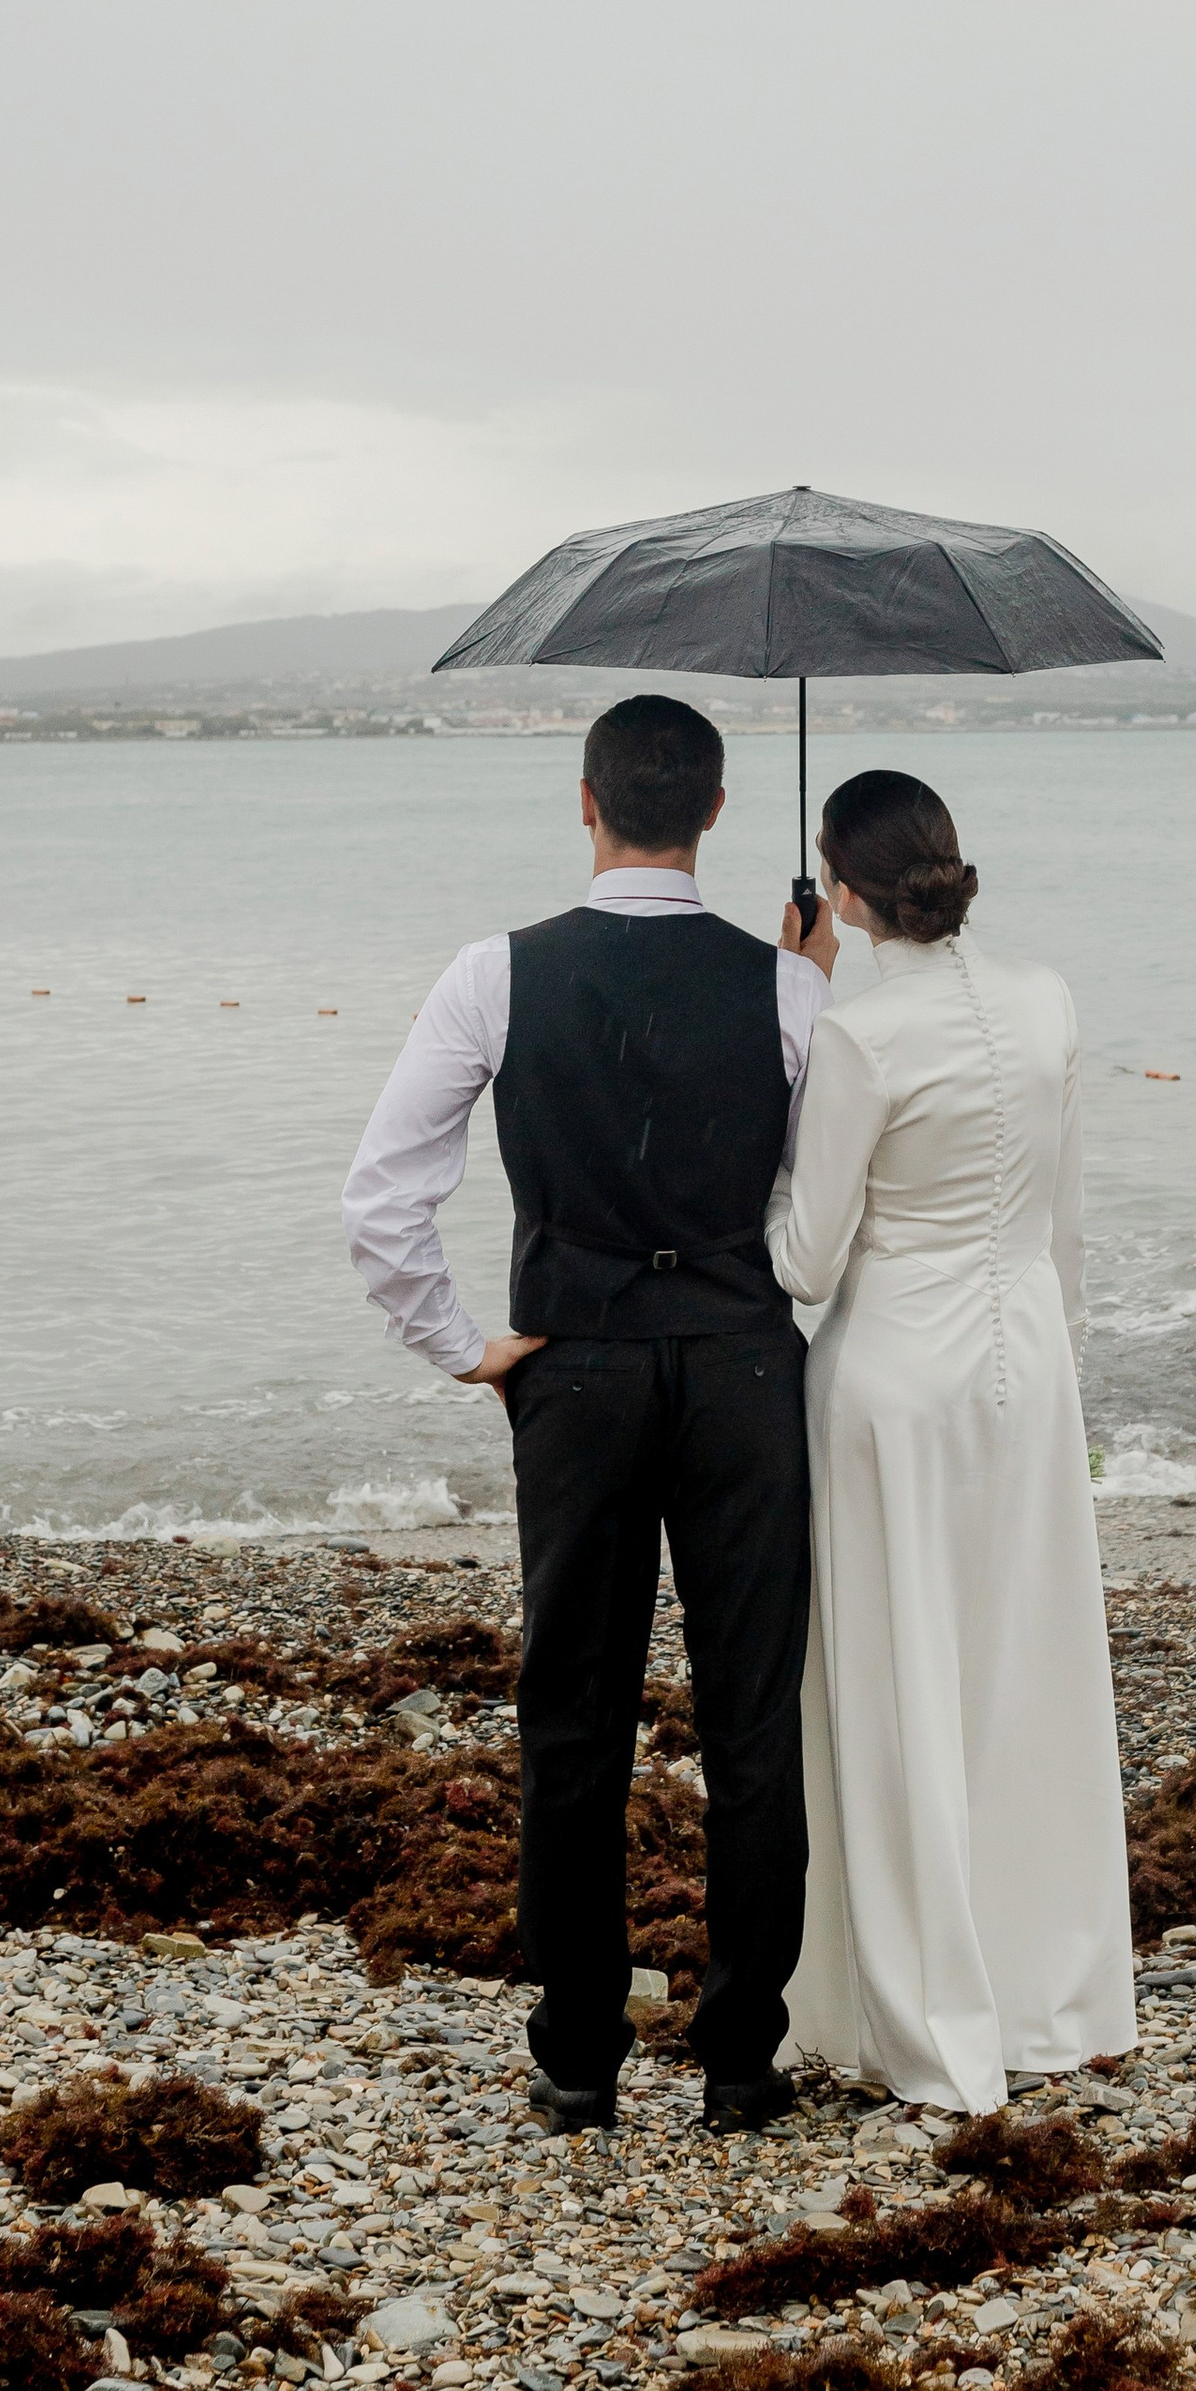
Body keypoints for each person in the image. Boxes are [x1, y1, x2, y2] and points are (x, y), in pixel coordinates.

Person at [341, 694, 835, 2137]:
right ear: (720, 812)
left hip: (577, 1369)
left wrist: (463, 1347)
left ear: (586, 801)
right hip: (745, 1363)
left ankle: (576, 2056)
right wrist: (805, 984)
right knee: (753, 1715)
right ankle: (742, 2056)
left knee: (574, 1714)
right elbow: (823, 1210)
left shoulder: (496, 973)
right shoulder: (788, 988)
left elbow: (381, 1200)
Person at [767, 767, 1135, 2115]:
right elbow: (1067, 1228)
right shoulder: (1048, 1002)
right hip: (1028, 1362)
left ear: (844, 889)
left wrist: (786, 1056)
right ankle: (1058, 1992)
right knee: (1022, 1675)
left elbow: (806, 1261)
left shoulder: (860, 1036)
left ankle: (923, 2013)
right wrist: (1059, 1373)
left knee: (897, 1680)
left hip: (893, 1386)